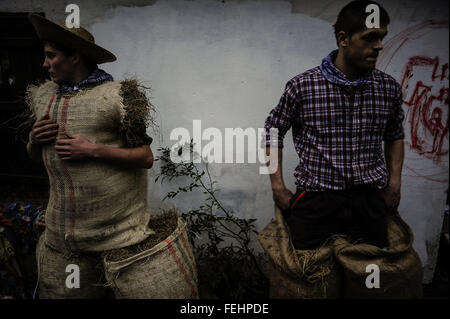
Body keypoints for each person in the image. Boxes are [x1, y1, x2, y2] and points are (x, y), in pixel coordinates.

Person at [26, 13, 155, 298]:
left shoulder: (118, 97)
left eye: (51, 56)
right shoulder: (45, 98)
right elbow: (37, 157)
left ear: (75, 57)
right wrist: (33, 140)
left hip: (116, 234)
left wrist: (93, 150)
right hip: (64, 234)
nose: (44, 64)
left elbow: (146, 157)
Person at [264, 0, 405, 250]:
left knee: (366, 275)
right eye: (370, 38)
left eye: (382, 37)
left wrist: (394, 184)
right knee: (311, 279)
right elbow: (273, 131)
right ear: (343, 38)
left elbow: (394, 135)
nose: (379, 46)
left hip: (369, 202)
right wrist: (277, 186)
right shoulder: (303, 86)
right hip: (317, 202)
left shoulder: (388, 88)